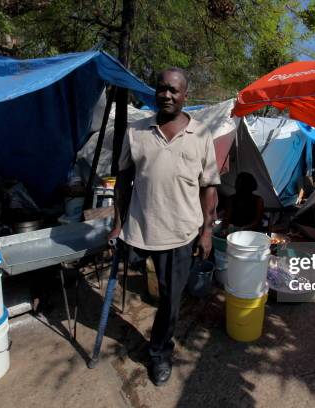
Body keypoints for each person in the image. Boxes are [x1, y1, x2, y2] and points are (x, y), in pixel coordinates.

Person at [108, 68, 220, 386]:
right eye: (162, 89)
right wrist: (118, 225)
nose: (167, 95)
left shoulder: (201, 135)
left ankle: (159, 352)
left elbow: (209, 186)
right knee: (143, 287)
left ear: (185, 95)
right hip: (140, 229)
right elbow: (123, 182)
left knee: (171, 298)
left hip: (182, 233)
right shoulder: (137, 131)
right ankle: (155, 339)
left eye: (174, 90)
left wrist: (207, 231)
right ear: (155, 92)